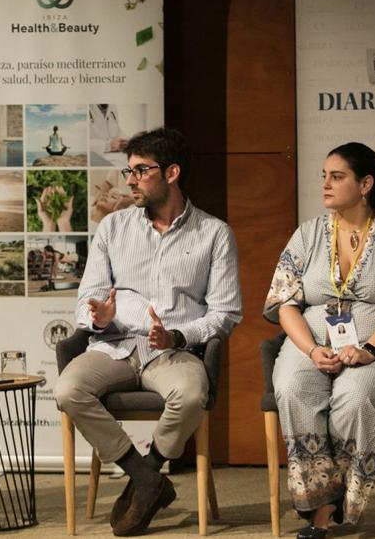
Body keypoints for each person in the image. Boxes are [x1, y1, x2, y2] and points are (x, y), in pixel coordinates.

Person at [54, 127, 242, 536]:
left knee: (191, 394)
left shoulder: (214, 234)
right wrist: (98, 317)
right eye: (128, 172)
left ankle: (149, 475)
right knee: (68, 390)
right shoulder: (113, 228)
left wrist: (177, 337)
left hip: (174, 350)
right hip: (115, 343)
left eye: (141, 170)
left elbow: (226, 313)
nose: (131, 180)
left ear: (171, 173)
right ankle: (144, 476)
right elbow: (89, 294)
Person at [264, 142, 375, 539]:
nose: (325, 184)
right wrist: (310, 348)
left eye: (336, 176)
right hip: (312, 342)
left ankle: (330, 506)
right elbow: (285, 302)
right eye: (324, 175)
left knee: (353, 401)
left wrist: (370, 348)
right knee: (292, 387)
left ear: (365, 184)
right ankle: (322, 506)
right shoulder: (307, 234)